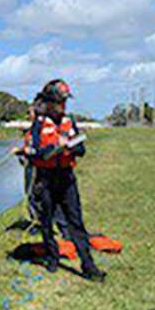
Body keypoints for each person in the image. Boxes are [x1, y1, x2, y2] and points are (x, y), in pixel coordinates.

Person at [29, 79, 105, 282]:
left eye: (64, 102)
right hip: (45, 180)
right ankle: (52, 257)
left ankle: (88, 266)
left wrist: (69, 147)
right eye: (59, 102)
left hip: (66, 178)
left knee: (75, 222)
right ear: (50, 102)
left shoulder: (70, 121)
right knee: (46, 222)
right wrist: (51, 149)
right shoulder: (38, 124)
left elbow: (81, 149)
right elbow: (34, 152)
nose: (63, 106)